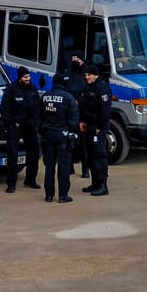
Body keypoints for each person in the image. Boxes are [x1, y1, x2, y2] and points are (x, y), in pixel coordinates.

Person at [0, 66, 42, 193]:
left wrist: (36, 123)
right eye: (25, 77)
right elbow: (4, 109)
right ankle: (11, 183)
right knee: (13, 155)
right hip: (15, 126)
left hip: (30, 126)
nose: (28, 79)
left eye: (28, 76)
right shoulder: (11, 89)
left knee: (34, 153)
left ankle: (30, 180)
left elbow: (38, 108)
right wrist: (10, 125)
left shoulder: (33, 89)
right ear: (20, 78)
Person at [36, 70, 78, 202]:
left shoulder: (45, 96)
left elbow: (39, 116)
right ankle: (63, 195)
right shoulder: (68, 98)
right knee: (63, 167)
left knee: (49, 167)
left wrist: (42, 131)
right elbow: (74, 119)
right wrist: (73, 134)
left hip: (47, 136)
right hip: (62, 136)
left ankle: (49, 195)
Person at [78, 62, 113, 196]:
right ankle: (95, 183)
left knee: (99, 156)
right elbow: (84, 106)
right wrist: (82, 120)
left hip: (98, 127)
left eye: (89, 75)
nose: (87, 77)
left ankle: (103, 185)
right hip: (89, 125)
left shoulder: (102, 88)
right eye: (86, 75)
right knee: (90, 156)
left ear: (96, 75)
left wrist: (100, 126)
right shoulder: (88, 88)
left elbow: (105, 111)